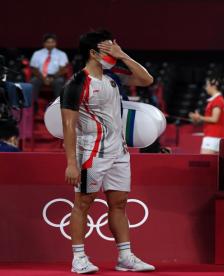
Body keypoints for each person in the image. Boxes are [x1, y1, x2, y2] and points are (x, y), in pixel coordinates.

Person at [60, 30, 155, 273]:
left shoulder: (114, 77)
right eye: (108, 49)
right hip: (90, 152)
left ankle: (125, 257)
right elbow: (68, 127)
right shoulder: (76, 84)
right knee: (83, 202)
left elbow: (146, 80)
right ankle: (79, 258)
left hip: (119, 151)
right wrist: (71, 163)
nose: (112, 54)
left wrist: (122, 54)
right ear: (93, 53)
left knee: (120, 203)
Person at [189, 78, 224, 154]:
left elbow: (214, 119)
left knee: (205, 163)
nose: (206, 88)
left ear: (214, 86)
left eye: (207, 85)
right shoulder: (216, 100)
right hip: (214, 136)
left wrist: (199, 117)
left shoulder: (218, 100)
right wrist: (197, 119)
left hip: (212, 136)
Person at [30, 33, 69, 106]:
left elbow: (63, 70)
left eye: (52, 42)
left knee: (59, 82)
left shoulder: (61, 54)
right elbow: (34, 69)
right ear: (44, 43)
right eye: (48, 42)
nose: (50, 44)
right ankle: (33, 105)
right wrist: (43, 78)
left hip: (56, 76)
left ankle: (58, 105)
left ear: (55, 43)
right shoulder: (37, 53)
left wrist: (52, 78)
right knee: (33, 81)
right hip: (40, 76)